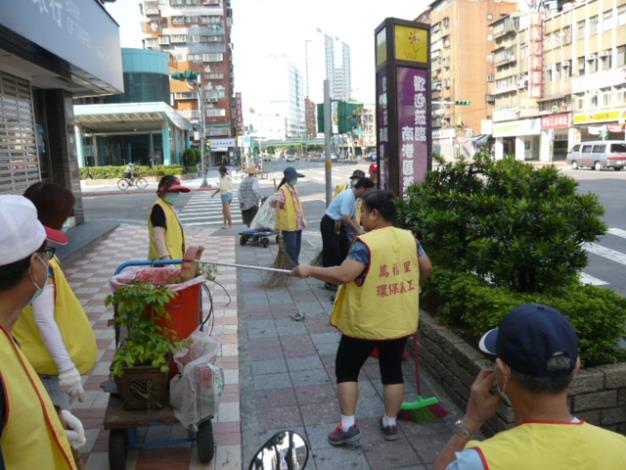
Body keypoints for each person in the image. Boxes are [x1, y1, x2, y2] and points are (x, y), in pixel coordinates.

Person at [292, 190, 432, 445]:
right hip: (398, 319)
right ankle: (390, 423)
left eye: (364, 212)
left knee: (347, 370)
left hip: (365, 322)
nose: (362, 217)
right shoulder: (409, 238)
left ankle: (347, 426)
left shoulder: (366, 244)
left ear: (375, 214)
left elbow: (344, 275)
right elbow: (426, 267)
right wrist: (416, 286)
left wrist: (310, 270)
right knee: (392, 372)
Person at [433, 303, 626, 470]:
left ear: (503, 372)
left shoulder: (481, 462)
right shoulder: (620, 449)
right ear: (575, 368)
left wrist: (470, 422)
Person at [0, 195, 86, 468]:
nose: (49, 264)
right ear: (35, 265)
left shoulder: (8, 339)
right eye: (47, 254)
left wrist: (52, 415)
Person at [12, 183, 97, 409]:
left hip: (33, 358)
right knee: (59, 428)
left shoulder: (23, 253)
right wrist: (66, 368)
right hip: (45, 366)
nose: (69, 216)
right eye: (65, 212)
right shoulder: (38, 262)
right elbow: (43, 319)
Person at [320, 178, 375, 290]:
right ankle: (330, 282)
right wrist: (358, 230)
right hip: (330, 223)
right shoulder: (348, 196)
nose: (368, 194)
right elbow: (345, 217)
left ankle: (340, 277)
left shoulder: (355, 198)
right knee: (332, 252)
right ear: (362, 188)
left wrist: (359, 231)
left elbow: (353, 217)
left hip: (339, 225)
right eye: (368, 191)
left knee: (344, 249)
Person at [148, 176, 190, 261]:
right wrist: (166, 260)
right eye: (173, 191)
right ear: (164, 191)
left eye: (177, 191)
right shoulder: (158, 208)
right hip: (165, 264)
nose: (176, 194)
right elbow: (159, 237)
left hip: (175, 260)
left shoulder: (168, 206)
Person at [274, 166, 305, 264]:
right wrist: (276, 201)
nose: (295, 180)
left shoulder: (294, 188)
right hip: (288, 226)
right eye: (294, 178)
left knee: (297, 248)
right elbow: (276, 205)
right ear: (288, 179)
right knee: (291, 249)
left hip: (297, 224)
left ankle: (294, 264)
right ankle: (292, 266)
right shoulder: (282, 190)